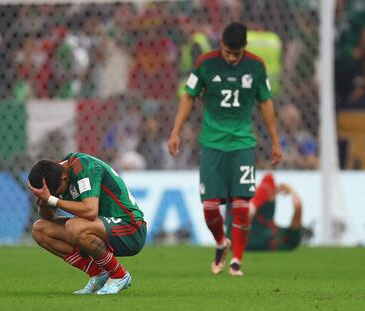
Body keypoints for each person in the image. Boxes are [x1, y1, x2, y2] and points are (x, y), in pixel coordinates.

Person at [168, 22, 282, 276]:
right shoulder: (205, 63)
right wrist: (175, 131)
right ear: (220, 43)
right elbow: (188, 97)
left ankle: (237, 261)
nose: (231, 57)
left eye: (237, 53)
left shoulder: (256, 65)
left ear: (245, 48)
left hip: (243, 143)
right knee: (210, 207)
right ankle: (222, 243)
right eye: (228, 52)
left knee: (241, 205)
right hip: (212, 144)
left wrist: (275, 140)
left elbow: (265, 102)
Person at [27, 152, 147, 295]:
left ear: (64, 178)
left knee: (75, 227)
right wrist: (44, 203)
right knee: (40, 229)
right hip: (98, 229)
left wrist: (52, 199)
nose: (54, 196)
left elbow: (90, 211)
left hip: (130, 228)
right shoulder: (55, 176)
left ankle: (119, 275)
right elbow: (49, 216)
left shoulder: (84, 167)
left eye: (55, 193)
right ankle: (99, 274)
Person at [226, 173, 303, 251]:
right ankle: (253, 204)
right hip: (240, 236)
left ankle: (253, 204)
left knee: (268, 179)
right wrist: (289, 190)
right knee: (267, 180)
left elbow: (298, 206)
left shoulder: (279, 236)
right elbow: (298, 206)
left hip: (240, 234)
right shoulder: (281, 237)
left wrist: (289, 189)